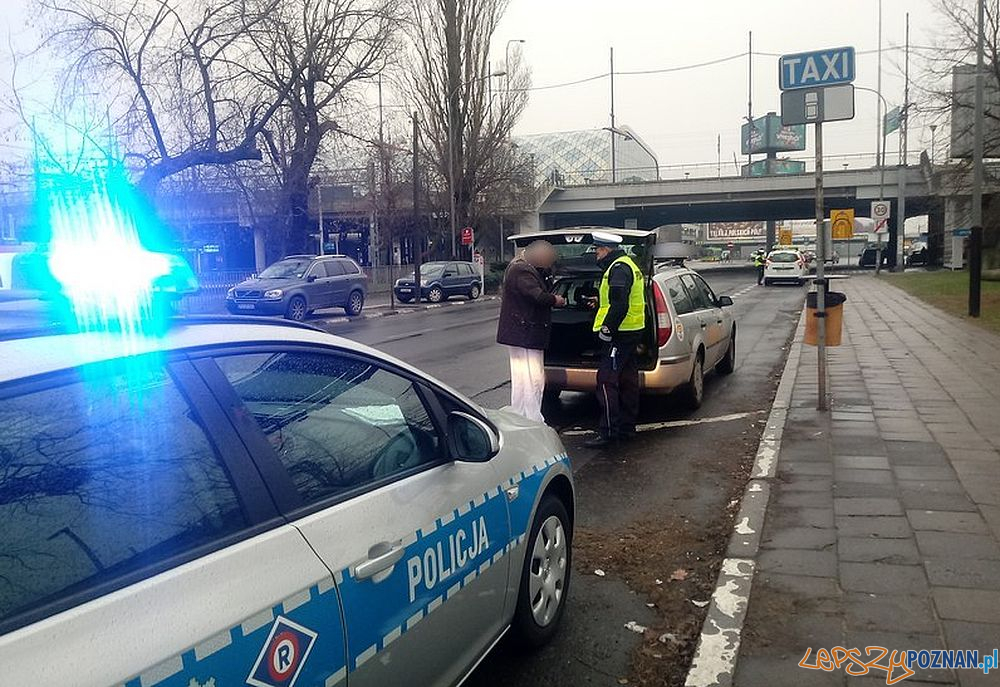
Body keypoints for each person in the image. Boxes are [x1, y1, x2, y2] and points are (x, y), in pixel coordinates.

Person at [585, 231, 646, 448]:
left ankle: (609, 432)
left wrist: (608, 328)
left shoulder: (618, 268)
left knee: (606, 380)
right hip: (632, 331)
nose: (596, 255)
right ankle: (627, 428)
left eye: (597, 251)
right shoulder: (627, 264)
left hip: (619, 334)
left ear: (606, 250)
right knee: (629, 380)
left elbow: (620, 304)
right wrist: (598, 299)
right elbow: (620, 297)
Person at [496, 240, 566, 422]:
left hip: (520, 331)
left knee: (522, 377)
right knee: (533, 377)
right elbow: (538, 296)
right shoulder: (522, 270)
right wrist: (556, 300)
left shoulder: (517, 268)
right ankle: (532, 415)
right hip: (525, 331)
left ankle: (522, 412)